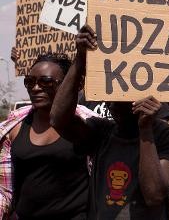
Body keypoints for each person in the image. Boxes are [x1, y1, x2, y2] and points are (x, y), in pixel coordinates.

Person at [49, 26, 169, 219]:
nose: (109, 102)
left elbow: (154, 195)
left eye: (117, 94)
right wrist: (80, 60)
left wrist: (145, 130)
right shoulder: (102, 132)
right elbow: (58, 120)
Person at [0, 53, 98, 219]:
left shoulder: (88, 124)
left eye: (46, 82)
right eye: (29, 82)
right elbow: (5, 189)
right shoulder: (13, 127)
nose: (36, 88)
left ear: (69, 84)